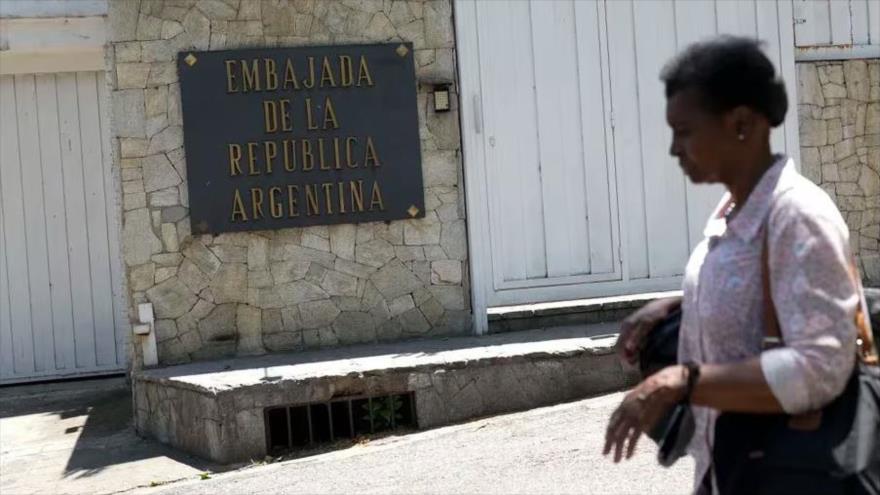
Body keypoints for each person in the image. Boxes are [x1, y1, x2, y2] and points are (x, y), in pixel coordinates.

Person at [603, 36, 860, 494]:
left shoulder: (797, 215)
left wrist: (682, 381)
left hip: (789, 473)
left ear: (741, 123)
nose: (673, 149)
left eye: (684, 131)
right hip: (729, 467)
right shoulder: (733, 211)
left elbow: (821, 365)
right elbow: (762, 295)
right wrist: (677, 306)